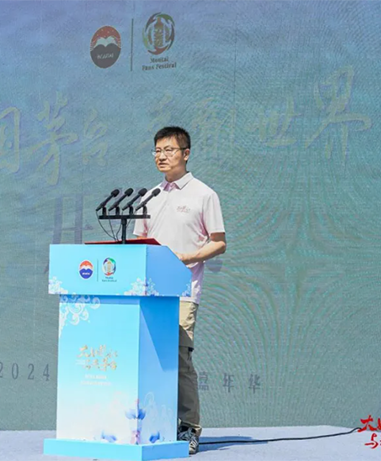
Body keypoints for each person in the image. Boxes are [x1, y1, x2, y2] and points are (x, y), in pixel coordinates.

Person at [133, 126, 226, 455]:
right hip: (148, 292)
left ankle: (188, 428)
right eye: (157, 150)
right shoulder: (149, 196)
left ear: (186, 154)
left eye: (169, 150)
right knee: (147, 357)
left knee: (178, 359)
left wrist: (188, 256)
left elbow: (219, 242)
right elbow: (139, 243)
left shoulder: (204, 195)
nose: (161, 156)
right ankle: (151, 424)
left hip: (183, 291)